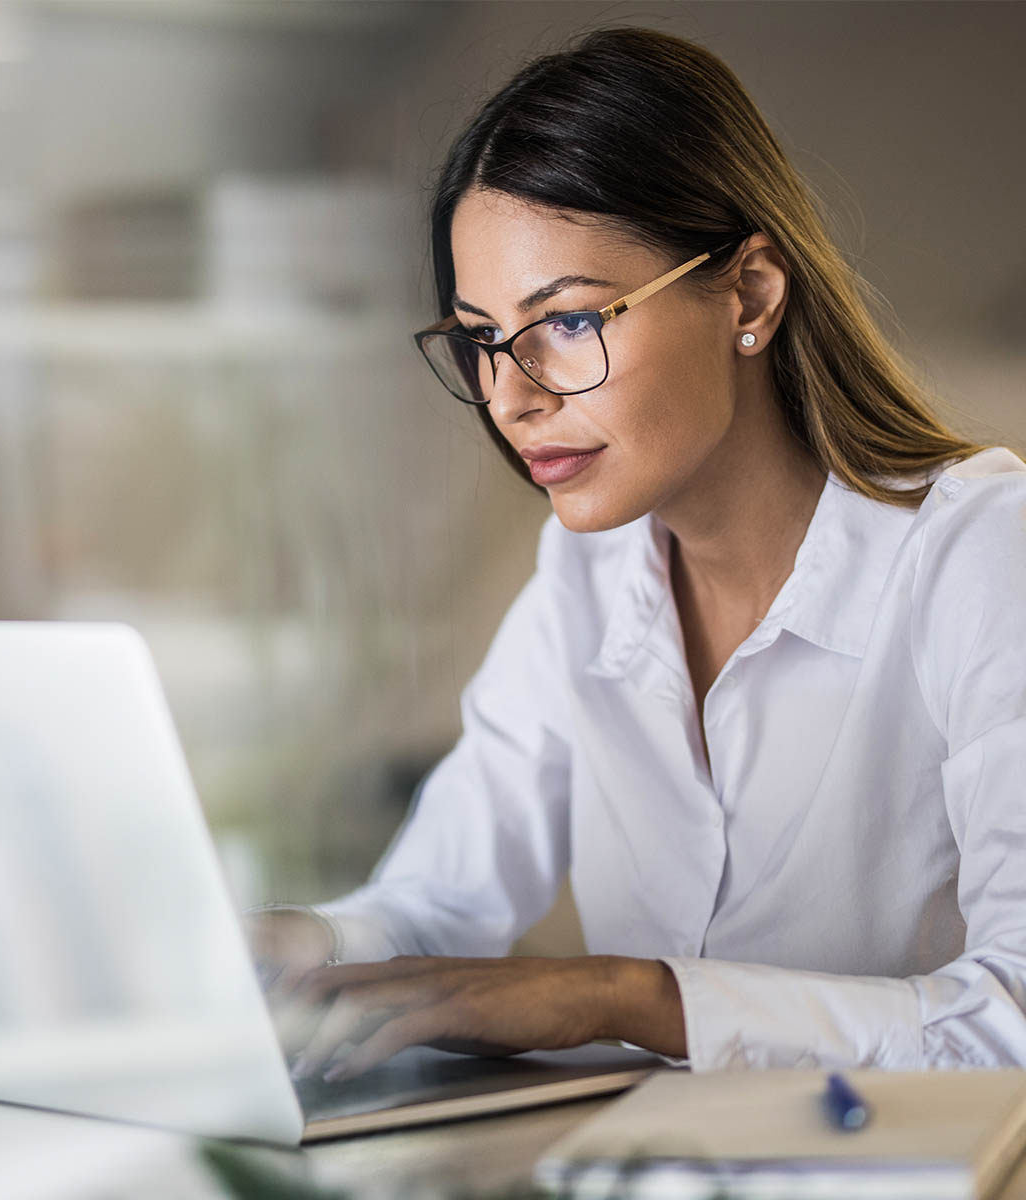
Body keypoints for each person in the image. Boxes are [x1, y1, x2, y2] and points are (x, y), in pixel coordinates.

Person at [245, 25, 1026, 1082]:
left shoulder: (981, 554)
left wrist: (620, 996)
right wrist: (286, 950)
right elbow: (442, 899)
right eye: (480, 337)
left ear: (749, 294)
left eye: (565, 321)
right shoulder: (590, 573)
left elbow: (1014, 1016)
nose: (510, 394)